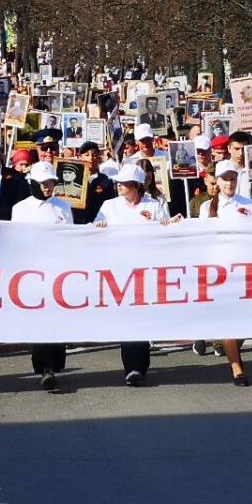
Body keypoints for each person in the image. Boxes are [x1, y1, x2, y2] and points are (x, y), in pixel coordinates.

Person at [94, 163, 165, 387]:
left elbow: (166, 231)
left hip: (146, 270)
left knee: (142, 317)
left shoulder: (153, 206)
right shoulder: (109, 205)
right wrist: (99, 226)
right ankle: (132, 367)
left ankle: (140, 365)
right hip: (119, 270)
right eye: (119, 183)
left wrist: (168, 224)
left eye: (124, 183)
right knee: (127, 318)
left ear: (136, 186)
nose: (119, 186)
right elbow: (94, 228)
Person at [197, 160, 252, 385]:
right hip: (220, 272)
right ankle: (237, 368)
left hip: (246, 270)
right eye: (225, 178)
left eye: (233, 178)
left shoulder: (250, 205)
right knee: (229, 320)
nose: (230, 183)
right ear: (218, 181)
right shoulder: (207, 208)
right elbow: (200, 239)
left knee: (246, 320)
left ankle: (231, 348)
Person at [12, 162, 74, 391]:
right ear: (33, 184)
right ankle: (44, 367)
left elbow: (71, 237)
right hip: (33, 272)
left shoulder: (63, 207)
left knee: (57, 321)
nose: (48, 187)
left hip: (59, 271)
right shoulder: (20, 209)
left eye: (51, 183)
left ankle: (55, 363)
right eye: (44, 183)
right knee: (40, 322)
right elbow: (17, 242)